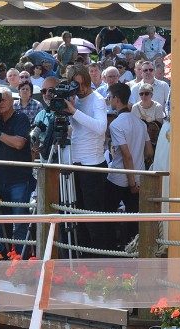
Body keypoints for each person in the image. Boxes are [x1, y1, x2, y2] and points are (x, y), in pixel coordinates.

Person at [0, 86, 35, 256]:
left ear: (12, 101)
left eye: (4, 99)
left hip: (19, 179)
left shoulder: (20, 117)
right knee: (1, 224)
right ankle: (1, 258)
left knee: (20, 224)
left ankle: (22, 264)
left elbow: (19, 143)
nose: (0, 103)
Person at [64, 65, 109, 254]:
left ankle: (99, 257)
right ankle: (83, 255)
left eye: (83, 85)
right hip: (76, 162)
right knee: (78, 214)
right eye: (76, 85)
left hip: (93, 165)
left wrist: (74, 111)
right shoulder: (74, 99)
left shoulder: (97, 99)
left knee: (93, 217)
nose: (81, 89)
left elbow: (101, 128)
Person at [105, 82, 152, 248]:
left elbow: (126, 155)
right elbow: (149, 152)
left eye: (110, 97)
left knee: (108, 217)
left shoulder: (116, 124)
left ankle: (111, 250)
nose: (109, 100)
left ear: (117, 100)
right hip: (138, 177)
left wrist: (131, 182)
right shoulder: (140, 123)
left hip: (120, 178)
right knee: (134, 220)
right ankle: (134, 250)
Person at [131, 83, 165, 148]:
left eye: (146, 93)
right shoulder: (135, 107)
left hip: (154, 140)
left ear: (151, 95)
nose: (143, 96)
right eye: (141, 94)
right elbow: (133, 126)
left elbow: (159, 126)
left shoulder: (158, 107)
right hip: (139, 139)